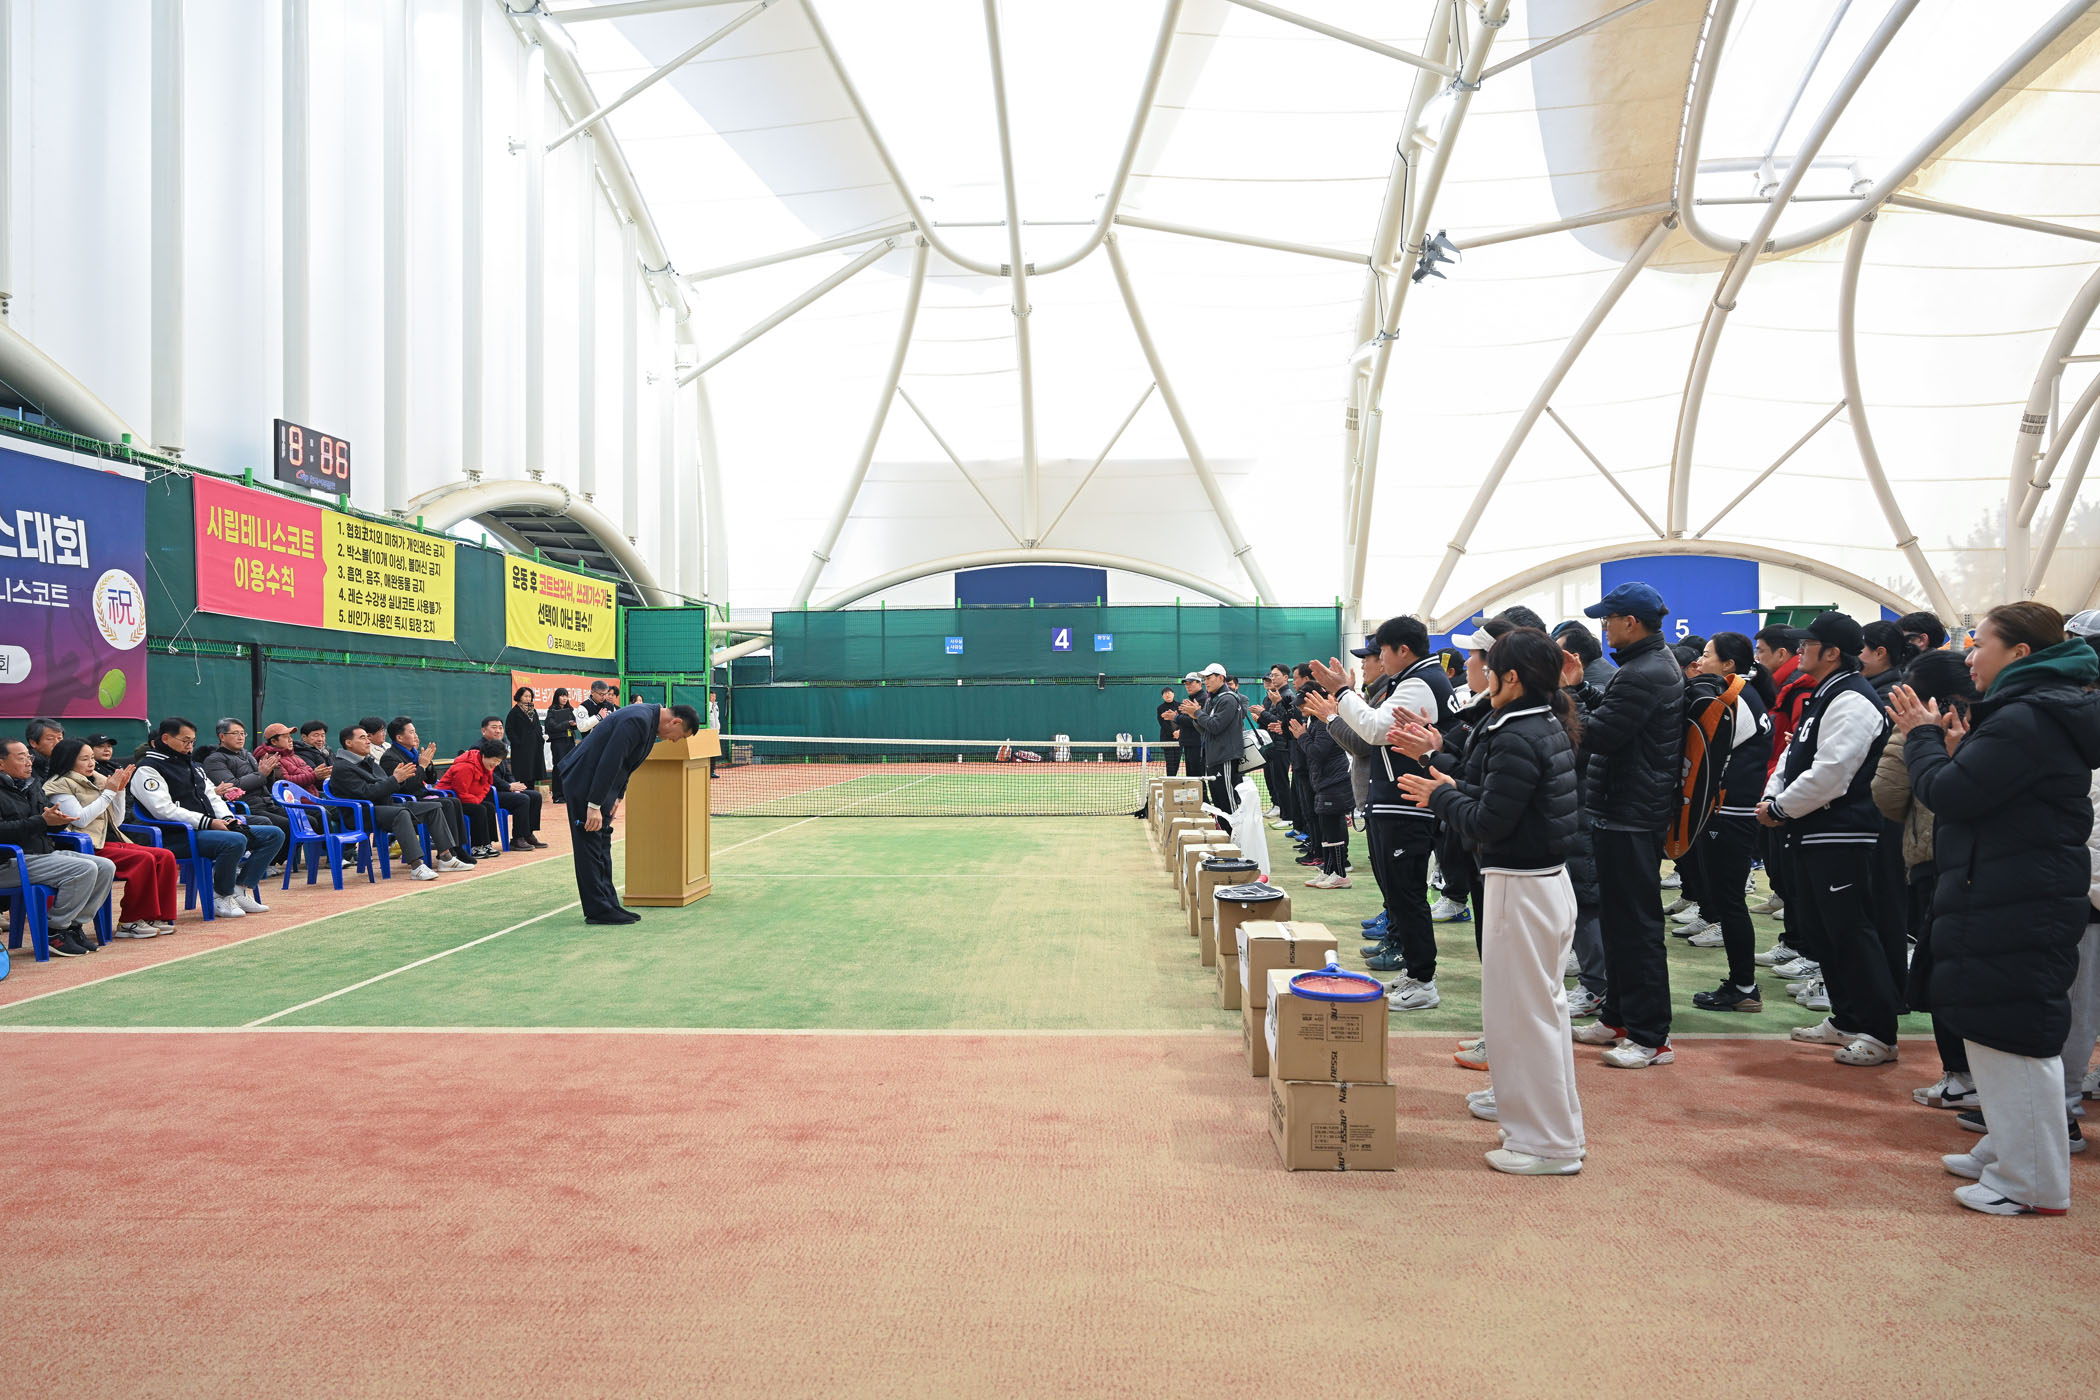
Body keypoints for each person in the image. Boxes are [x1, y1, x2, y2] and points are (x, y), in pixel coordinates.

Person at [1890, 602, 2100, 1216]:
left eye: (1979, 644)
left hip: (2017, 894)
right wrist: (1956, 751)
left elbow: (1950, 794)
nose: (1968, 657)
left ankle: (2031, 1182)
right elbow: (1985, 792)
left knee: (2013, 1034)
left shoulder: (2028, 717)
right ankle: (2009, 1149)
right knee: (1993, 1025)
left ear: (2020, 653)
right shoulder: (2030, 712)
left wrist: (1922, 739)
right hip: (2007, 886)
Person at [1395, 628, 1585, 1175]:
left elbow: (1488, 822)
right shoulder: (1537, 723)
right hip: (1538, 883)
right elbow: (1503, 801)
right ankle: (1546, 1129)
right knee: (1534, 1014)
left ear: (1511, 678)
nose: (1477, 672)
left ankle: (1547, 1144)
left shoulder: (1518, 732)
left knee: (1524, 1017)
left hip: (1522, 887)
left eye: (1487, 663)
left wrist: (1440, 795)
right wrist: (1451, 784)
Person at [1760, 613, 1900, 1066]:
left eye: (1808, 644)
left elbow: (1833, 772)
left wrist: (1781, 808)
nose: (1800, 650)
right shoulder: (1826, 693)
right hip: (1813, 830)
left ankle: (1879, 1033)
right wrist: (1774, 797)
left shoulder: (1853, 698)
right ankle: (1846, 1018)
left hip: (1843, 834)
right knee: (1824, 931)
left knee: (1851, 932)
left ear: (1832, 652)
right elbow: (1792, 755)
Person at [1315, 615, 1457, 1009]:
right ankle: (1415, 972)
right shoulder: (1412, 679)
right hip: (1396, 801)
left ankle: (1424, 981)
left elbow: (1375, 730)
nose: (1377, 660)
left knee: (1407, 895)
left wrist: (1342, 692)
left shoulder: (1420, 682)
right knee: (1398, 895)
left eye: (1381, 652)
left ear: (1402, 651)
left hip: (1407, 803)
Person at [1570, 582, 1684, 1070]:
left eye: (1608, 619)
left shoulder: (1644, 671)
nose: (1604, 628)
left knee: (1637, 928)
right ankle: (1618, 1017)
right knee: (1620, 923)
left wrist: (1567, 699)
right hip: (1625, 812)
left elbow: (1599, 734)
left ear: (1630, 623)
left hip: (1631, 816)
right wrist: (1580, 688)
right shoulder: (1645, 666)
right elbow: (1613, 716)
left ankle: (1650, 1036)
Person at [1874, 650, 1977, 1110]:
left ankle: (1963, 1076)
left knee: (1947, 974)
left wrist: (1912, 735)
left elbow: (1889, 795)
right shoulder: (2002, 718)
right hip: (1978, 860)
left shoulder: (1921, 727)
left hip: (1940, 856)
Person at [1684, 632, 1775, 1012]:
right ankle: (1742, 984)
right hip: (1731, 810)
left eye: (1706, 656)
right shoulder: (1742, 695)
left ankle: (1744, 987)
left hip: (1731, 813)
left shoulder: (1735, 699)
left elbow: (1710, 754)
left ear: (1728, 664)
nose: (1699, 662)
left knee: (1730, 902)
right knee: (1727, 900)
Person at [555, 701, 702, 926]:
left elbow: (627, 764)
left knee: (602, 843)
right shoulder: (637, 720)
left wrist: (617, 797)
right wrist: (594, 805)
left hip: (599, 787)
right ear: (675, 722)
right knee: (589, 844)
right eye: (680, 736)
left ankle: (609, 904)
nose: (675, 741)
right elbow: (610, 761)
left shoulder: (648, 722)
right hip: (584, 781)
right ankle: (598, 910)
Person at [129, 717, 285, 919]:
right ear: (166, 739)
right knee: (235, 840)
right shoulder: (148, 768)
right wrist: (208, 822)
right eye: (185, 741)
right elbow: (163, 810)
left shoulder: (192, 765)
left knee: (273, 834)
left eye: (193, 741)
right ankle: (221, 894)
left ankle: (240, 888)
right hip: (175, 835)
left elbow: (212, 796)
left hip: (205, 830)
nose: (190, 746)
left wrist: (228, 819)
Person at [44, 736, 177, 939]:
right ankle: (130, 921)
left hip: (108, 839)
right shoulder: (58, 785)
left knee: (165, 856)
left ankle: (154, 916)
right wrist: (108, 792)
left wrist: (119, 791)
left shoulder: (97, 779)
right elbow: (80, 820)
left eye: (92, 758)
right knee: (143, 860)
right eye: (84, 759)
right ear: (68, 760)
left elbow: (117, 819)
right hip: (85, 845)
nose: (91, 763)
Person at [0, 737, 117, 957]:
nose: (29, 762)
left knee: (105, 867)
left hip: (41, 855)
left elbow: (47, 819)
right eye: (21, 758)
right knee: (83, 869)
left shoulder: (31, 785)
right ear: (1, 763)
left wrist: (59, 820)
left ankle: (73, 926)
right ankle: (54, 930)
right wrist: (42, 821)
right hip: (9, 861)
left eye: (29, 757)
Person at [329, 726, 458, 880]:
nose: (368, 741)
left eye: (367, 737)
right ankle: (417, 866)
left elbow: (385, 784)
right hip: (362, 813)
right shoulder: (342, 767)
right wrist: (395, 779)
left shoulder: (368, 761)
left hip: (384, 806)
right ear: (348, 743)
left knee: (434, 807)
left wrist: (399, 779)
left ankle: (446, 858)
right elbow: (366, 792)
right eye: (362, 738)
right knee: (401, 813)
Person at [378, 717, 474, 865]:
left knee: (454, 801)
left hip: (421, 795)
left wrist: (428, 764)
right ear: (399, 738)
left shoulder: (413, 753)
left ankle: (458, 847)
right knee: (447, 804)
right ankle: (448, 853)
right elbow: (406, 786)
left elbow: (430, 780)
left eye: (415, 731)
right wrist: (422, 766)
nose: (416, 735)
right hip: (408, 799)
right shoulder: (390, 758)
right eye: (411, 732)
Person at [200, 718, 292, 844]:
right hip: (247, 806)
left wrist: (269, 773)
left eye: (243, 733)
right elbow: (233, 786)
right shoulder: (214, 760)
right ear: (222, 736)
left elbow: (265, 783)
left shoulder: (247, 754)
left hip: (267, 803)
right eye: (235, 733)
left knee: (306, 820)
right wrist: (261, 774)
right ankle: (277, 856)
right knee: (288, 825)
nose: (240, 737)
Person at [1186, 663, 1247, 817]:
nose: (1206, 682)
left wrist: (1197, 713)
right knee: (1218, 802)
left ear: (1220, 678)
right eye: (1205, 679)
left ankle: (1234, 830)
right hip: (1212, 757)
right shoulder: (1211, 700)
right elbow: (1204, 729)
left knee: (1227, 801)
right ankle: (1224, 830)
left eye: (1209, 678)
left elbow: (1215, 726)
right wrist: (1195, 717)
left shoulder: (1228, 699)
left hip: (1225, 757)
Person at [477, 715, 546, 849]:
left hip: (502, 789)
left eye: (500, 727)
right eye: (494, 727)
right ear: (484, 731)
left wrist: (515, 786)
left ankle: (528, 834)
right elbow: (488, 775)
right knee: (522, 799)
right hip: (488, 792)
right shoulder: (478, 748)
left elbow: (507, 773)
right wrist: (508, 786)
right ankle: (517, 838)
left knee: (535, 796)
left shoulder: (499, 746)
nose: (498, 731)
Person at [437, 740, 509, 853]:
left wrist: (478, 799)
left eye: (499, 761)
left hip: (470, 798)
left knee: (490, 807)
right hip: (450, 800)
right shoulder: (466, 767)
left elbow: (487, 785)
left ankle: (487, 843)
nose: (496, 764)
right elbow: (460, 792)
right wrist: (476, 800)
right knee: (479, 810)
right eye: (495, 760)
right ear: (484, 755)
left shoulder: (487, 766)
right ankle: (476, 846)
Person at [505, 687, 548, 790]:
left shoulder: (532, 710)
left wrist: (540, 740)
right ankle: (523, 795)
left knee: (533, 773)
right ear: (519, 697)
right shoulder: (514, 712)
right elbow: (509, 729)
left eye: (530, 696)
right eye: (526, 696)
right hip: (521, 749)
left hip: (534, 747)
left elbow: (537, 726)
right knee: (523, 774)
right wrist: (518, 742)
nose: (528, 698)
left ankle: (531, 793)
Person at [1553, 620, 1614, 691]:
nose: (1552, 659)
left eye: (1557, 653)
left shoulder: (1595, 687)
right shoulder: (1597, 671)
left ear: (1574, 658)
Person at [545, 690, 583, 802]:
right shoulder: (552, 711)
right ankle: (557, 795)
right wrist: (567, 723)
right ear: (557, 697)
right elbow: (552, 726)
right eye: (562, 696)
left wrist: (574, 725)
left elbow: (574, 724)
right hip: (558, 742)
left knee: (569, 767)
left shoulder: (570, 710)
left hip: (570, 741)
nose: (564, 698)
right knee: (559, 767)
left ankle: (567, 794)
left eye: (566, 696)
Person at [1155, 686, 1184, 779]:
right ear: (1162, 696)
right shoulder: (1160, 708)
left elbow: (1183, 720)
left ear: (1173, 694)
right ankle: (1170, 780)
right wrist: (1173, 733)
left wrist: (1179, 732)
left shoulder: (1180, 706)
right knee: (1170, 762)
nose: (1167, 695)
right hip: (1167, 739)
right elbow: (1162, 723)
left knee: (1177, 761)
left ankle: (1173, 779)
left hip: (1180, 739)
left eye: (1169, 693)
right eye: (1165, 693)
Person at [24, 718, 63, 786]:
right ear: (33, 743)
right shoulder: (25, 765)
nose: (57, 743)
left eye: (59, 738)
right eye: (50, 739)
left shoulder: (65, 761)